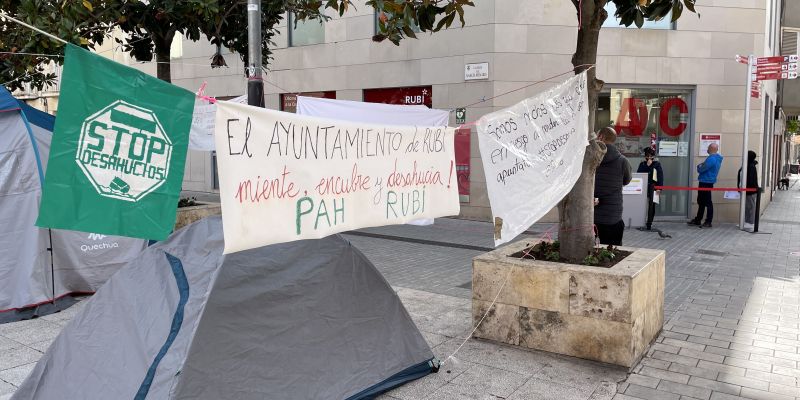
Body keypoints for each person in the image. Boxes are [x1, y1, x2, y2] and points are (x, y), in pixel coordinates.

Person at [594, 127, 632, 245]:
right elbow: (626, 180)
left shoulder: (591, 159)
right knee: (613, 252)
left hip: (591, 215)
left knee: (589, 251)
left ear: (601, 138)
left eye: (596, 135)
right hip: (613, 215)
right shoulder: (622, 161)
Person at [688, 143, 723, 228]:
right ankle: (698, 219)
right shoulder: (716, 158)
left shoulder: (712, 159)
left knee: (706, 201)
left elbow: (701, 168)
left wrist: (700, 166)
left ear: (711, 149)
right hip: (707, 181)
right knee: (701, 201)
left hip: (705, 181)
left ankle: (708, 221)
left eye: (708, 147)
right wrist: (701, 165)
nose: (707, 149)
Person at [637, 147, 664, 231]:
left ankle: (649, 223)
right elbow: (639, 174)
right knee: (642, 204)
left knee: (652, 205)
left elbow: (660, 176)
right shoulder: (642, 164)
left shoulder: (657, 164)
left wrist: (659, 188)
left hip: (654, 187)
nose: (649, 158)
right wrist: (647, 166)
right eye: (647, 156)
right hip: (644, 187)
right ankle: (640, 222)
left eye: (650, 156)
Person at [738, 150, 759, 230]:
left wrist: (746, 189)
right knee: (746, 207)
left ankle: (750, 223)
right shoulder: (746, 165)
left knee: (750, 207)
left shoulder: (751, 166)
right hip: (744, 190)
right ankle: (745, 222)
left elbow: (750, 180)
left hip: (749, 191)